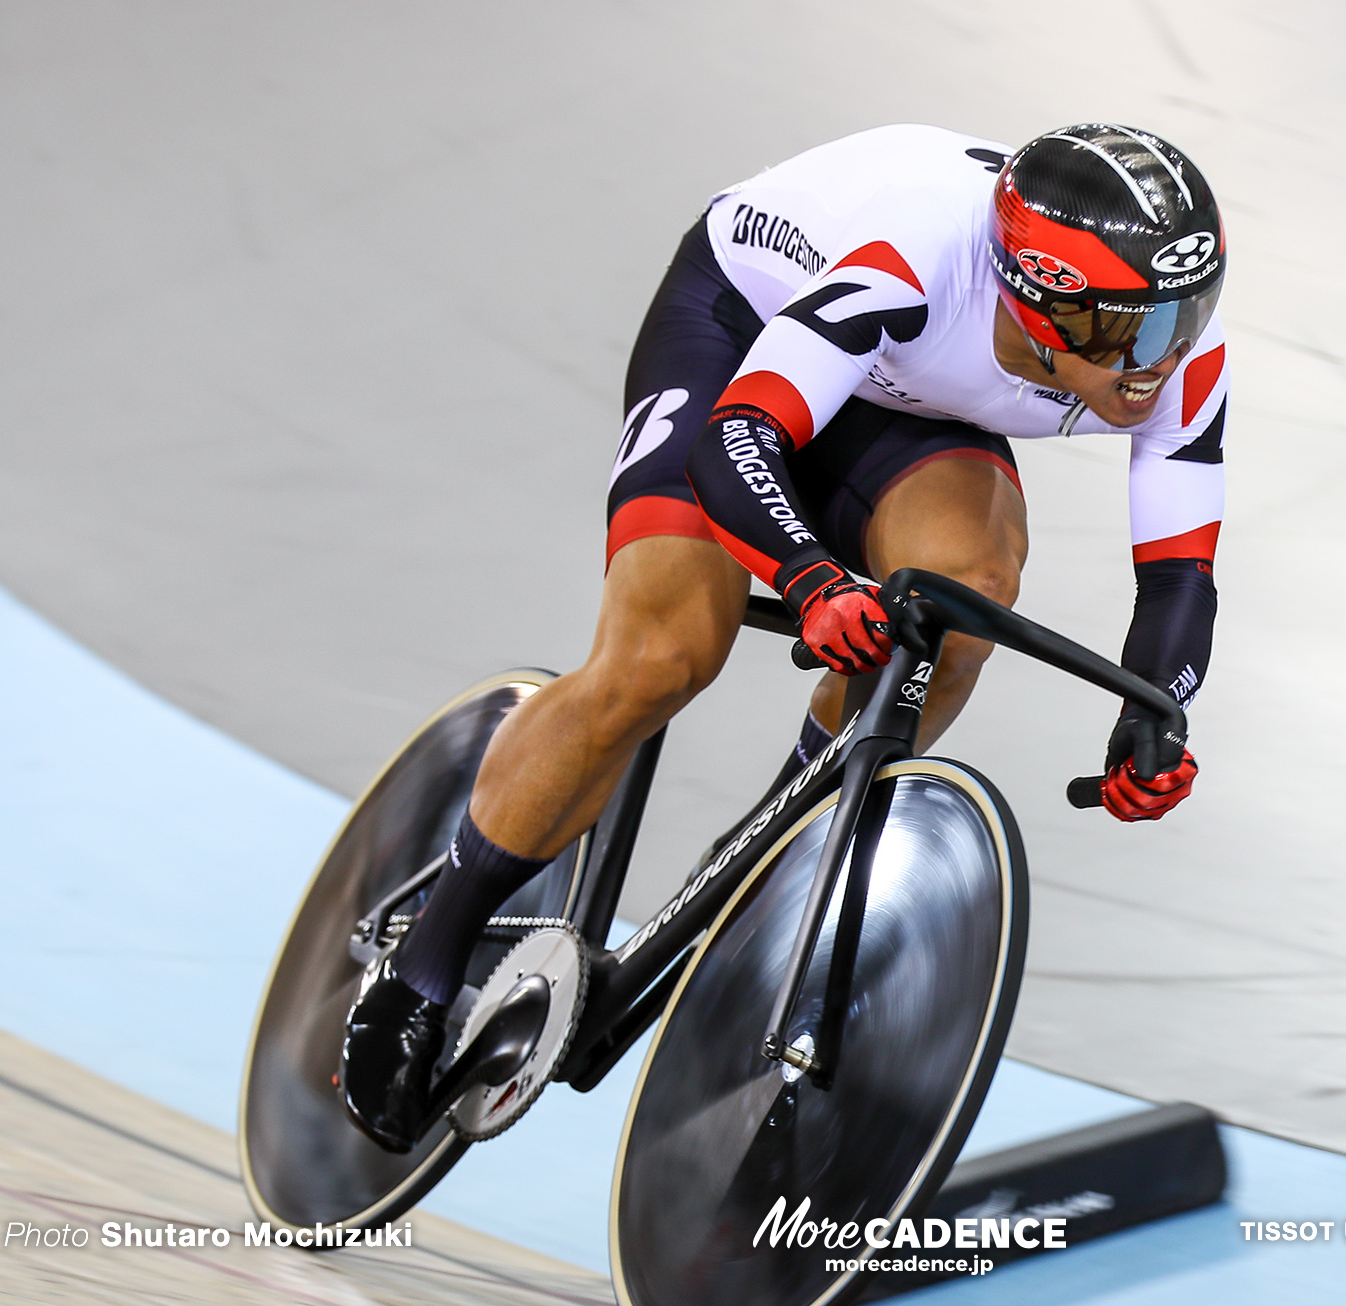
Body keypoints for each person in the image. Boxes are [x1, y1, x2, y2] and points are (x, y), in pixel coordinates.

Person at [342, 122, 1230, 1151]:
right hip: (740, 331)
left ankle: (769, 853)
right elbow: (737, 442)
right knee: (663, 655)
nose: (1161, 358)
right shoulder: (913, 260)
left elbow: (1180, 570)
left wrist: (1152, 714)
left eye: (1184, 315)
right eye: (1138, 327)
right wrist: (811, 583)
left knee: (963, 598)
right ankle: (420, 962)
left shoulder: (1173, 356)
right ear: (1042, 307)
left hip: (907, 389)